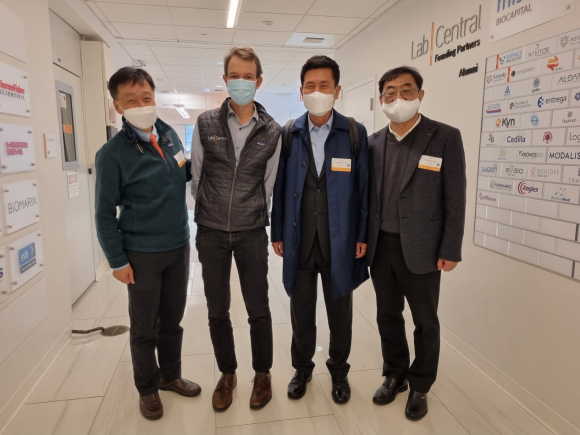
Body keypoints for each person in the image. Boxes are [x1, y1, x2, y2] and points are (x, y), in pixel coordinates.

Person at [95, 67, 200, 421]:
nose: (142, 105)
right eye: (132, 100)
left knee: (172, 320)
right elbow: (104, 214)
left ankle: (170, 375)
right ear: (117, 106)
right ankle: (147, 388)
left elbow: (182, 171)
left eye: (147, 98)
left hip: (178, 246)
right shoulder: (112, 154)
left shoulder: (169, 135)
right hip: (141, 255)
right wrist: (117, 260)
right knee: (144, 328)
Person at [367, 66, 466, 420]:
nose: (398, 98)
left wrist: (450, 248)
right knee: (387, 315)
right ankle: (395, 374)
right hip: (381, 247)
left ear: (420, 95)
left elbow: (455, 196)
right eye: (390, 92)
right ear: (381, 99)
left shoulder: (444, 137)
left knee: (425, 321)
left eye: (406, 90)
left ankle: (421, 384)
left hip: (424, 248)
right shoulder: (373, 143)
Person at [271, 55, 369, 404]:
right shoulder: (289, 134)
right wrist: (277, 232)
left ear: (336, 90)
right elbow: (281, 188)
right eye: (310, 86)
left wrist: (362, 235)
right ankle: (302, 369)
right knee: (301, 313)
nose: (317, 92)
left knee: (340, 314)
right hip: (299, 239)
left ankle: (339, 372)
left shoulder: (354, 133)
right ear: (301, 92)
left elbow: (364, 190)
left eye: (323, 85)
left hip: (339, 241)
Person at [190, 47, 281, 411]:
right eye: (235, 76)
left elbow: (269, 183)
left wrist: (250, 211)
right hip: (211, 230)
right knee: (217, 308)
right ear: (225, 79)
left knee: (259, 307)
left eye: (248, 76)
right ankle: (227, 373)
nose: (241, 82)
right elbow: (196, 176)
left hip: (251, 231)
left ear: (258, 82)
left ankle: (263, 373)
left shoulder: (272, 130)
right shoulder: (205, 123)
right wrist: (210, 210)